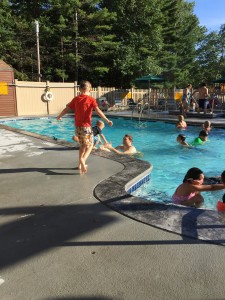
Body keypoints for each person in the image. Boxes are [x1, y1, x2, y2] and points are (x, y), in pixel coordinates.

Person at [56, 80, 113, 174]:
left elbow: (67, 108)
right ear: (89, 89)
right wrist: (107, 120)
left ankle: (79, 165)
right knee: (90, 145)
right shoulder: (91, 99)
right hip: (86, 127)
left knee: (82, 146)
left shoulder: (76, 98)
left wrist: (59, 116)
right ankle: (83, 160)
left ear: (79, 89)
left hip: (77, 127)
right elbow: (98, 111)